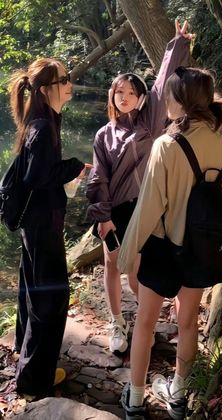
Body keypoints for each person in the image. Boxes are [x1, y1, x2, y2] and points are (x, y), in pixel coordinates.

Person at [118, 66, 222, 419]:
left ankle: (135, 400)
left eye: (169, 95)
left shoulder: (166, 145)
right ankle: (179, 398)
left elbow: (148, 207)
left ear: (181, 101)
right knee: (187, 324)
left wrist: (126, 257)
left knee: (145, 324)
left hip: (163, 247)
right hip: (201, 249)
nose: (164, 100)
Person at [86, 20, 192, 354]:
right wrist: (102, 216)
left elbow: (162, 83)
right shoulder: (104, 134)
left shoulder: (150, 121)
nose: (125, 97)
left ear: (142, 98)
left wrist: (177, 43)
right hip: (114, 209)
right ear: (112, 95)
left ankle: (146, 319)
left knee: (139, 270)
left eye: (132, 93)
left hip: (145, 206)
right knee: (112, 264)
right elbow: (97, 176)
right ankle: (117, 323)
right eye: (120, 92)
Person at [9, 58, 86, 396]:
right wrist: (74, 166)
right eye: (63, 79)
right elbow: (37, 176)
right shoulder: (42, 126)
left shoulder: (44, 119)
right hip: (42, 225)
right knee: (51, 299)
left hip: (36, 224)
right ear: (45, 89)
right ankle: (33, 379)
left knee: (33, 289)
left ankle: (25, 355)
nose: (70, 83)